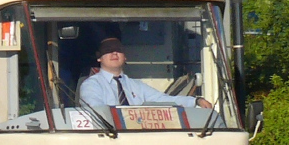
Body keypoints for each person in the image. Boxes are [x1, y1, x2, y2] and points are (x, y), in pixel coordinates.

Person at [79, 37, 212, 112]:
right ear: (99, 58)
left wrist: (195, 101)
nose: (114, 53)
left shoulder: (136, 85)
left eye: (118, 50)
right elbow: (97, 111)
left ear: (125, 57)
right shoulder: (91, 85)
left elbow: (162, 99)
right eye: (108, 51)